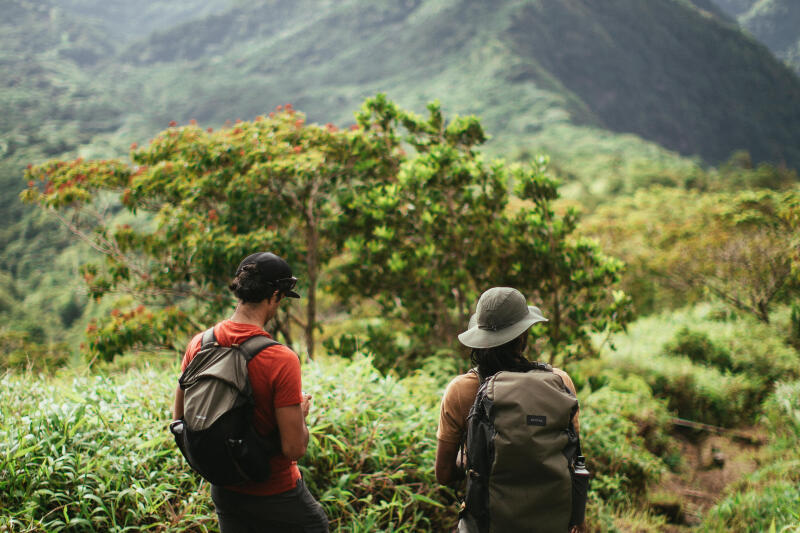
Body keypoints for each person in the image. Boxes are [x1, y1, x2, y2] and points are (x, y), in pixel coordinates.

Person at [172, 252, 329, 533]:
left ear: (241, 290)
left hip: (224, 490)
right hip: (277, 492)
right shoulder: (281, 359)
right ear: (276, 296)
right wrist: (301, 415)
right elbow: (295, 448)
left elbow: (179, 419)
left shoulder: (199, 343)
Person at [435, 286, 582, 533]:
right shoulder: (560, 382)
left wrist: (475, 457)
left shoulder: (460, 390)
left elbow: (444, 474)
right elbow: (575, 460)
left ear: (479, 337)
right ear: (523, 335)